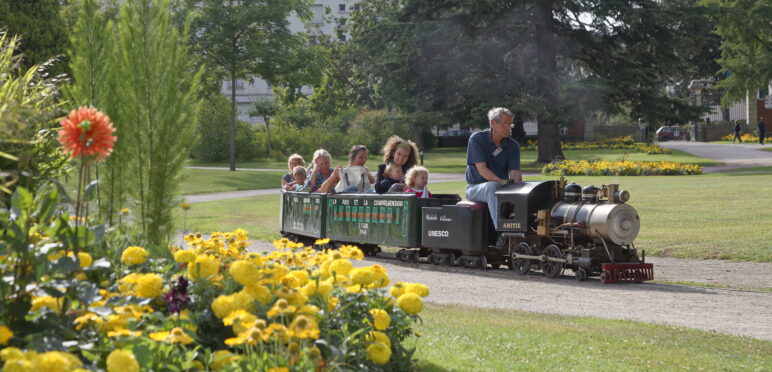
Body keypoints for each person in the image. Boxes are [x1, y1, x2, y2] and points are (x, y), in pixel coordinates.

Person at [465, 107, 522, 228]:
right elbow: (482, 170)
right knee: (493, 187)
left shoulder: (513, 145)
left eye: (510, 124)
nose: (508, 127)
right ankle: (502, 231)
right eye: (505, 124)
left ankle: (523, 228)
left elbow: (515, 172)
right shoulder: (477, 139)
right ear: (492, 122)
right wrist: (502, 182)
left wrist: (518, 187)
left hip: (502, 186)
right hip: (476, 188)